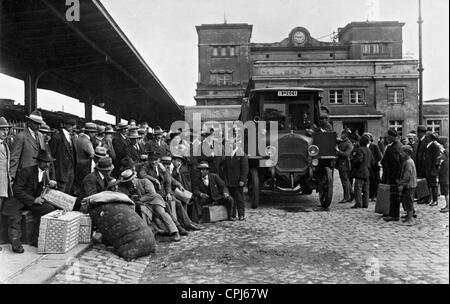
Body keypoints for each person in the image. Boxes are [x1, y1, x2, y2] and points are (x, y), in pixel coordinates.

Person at [2, 150, 57, 253]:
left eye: (49, 162)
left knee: (49, 209)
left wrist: (50, 186)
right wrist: (33, 200)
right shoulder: (26, 171)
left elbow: (39, 190)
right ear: (38, 162)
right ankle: (16, 243)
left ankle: (36, 238)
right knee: (15, 219)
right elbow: (17, 190)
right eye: (45, 162)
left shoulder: (44, 174)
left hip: (30, 202)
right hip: (17, 201)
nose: (47, 164)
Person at [117, 169, 182, 242]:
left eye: (132, 180)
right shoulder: (130, 187)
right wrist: (134, 199)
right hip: (144, 204)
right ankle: (153, 233)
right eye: (129, 181)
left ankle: (175, 232)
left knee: (162, 213)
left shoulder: (145, 181)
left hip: (155, 200)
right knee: (145, 215)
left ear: (135, 177)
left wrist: (140, 200)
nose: (131, 182)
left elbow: (152, 194)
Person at [9, 110, 46, 180]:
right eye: (36, 123)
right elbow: (15, 157)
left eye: (40, 124)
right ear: (29, 122)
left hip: (39, 175)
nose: (38, 126)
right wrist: (12, 175)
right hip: (24, 175)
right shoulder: (21, 136)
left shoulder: (41, 136)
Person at [49, 116, 77, 194]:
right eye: (70, 125)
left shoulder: (71, 137)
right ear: (64, 124)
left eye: (72, 125)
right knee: (60, 195)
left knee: (67, 193)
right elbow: (51, 156)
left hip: (70, 171)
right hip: (61, 171)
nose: (71, 127)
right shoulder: (57, 137)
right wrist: (53, 175)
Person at [222, 140, 249, 220]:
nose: (230, 145)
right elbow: (225, 169)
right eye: (229, 144)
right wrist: (226, 180)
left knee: (239, 198)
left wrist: (242, 180)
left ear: (236, 143)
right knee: (232, 198)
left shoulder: (241, 154)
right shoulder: (228, 155)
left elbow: (245, 169)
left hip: (238, 181)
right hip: (230, 181)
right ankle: (233, 215)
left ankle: (241, 215)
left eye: (231, 143)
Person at [382, 129, 404, 222]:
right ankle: (392, 213)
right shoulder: (395, 146)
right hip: (392, 175)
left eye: (388, 136)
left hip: (394, 176)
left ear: (391, 137)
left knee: (394, 196)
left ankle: (394, 215)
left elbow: (396, 164)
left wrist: (395, 178)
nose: (386, 138)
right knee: (393, 196)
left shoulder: (395, 147)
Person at [0, 117, 13, 251]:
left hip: (4, 185)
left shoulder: (5, 144)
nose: (5, 132)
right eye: (3, 130)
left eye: (7, 130)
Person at [350, 135, 373, 209]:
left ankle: (358, 203)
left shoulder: (359, 150)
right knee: (366, 189)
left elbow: (358, 160)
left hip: (360, 171)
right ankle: (365, 204)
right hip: (367, 171)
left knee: (358, 188)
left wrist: (353, 162)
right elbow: (372, 161)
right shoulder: (369, 150)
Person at [397, 145, 417, 225]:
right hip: (409, 184)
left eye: (402, 152)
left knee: (409, 202)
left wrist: (400, 183)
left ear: (407, 153)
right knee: (407, 201)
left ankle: (410, 219)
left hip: (409, 185)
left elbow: (407, 176)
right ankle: (408, 217)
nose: (401, 154)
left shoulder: (408, 162)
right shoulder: (408, 161)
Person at [75, 122, 97, 191]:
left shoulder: (79, 138)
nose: (95, 134)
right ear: (90, 133)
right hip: (86, 166)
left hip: (78, 164)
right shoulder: (86, 141)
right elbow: (92, 154)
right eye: (94, 133)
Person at [335, 130, 354, 203]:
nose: (341, 135)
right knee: (346, 181)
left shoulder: (348, 144)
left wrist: (338, 151)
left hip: (344, 164)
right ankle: (352, 194)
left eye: (343, 134)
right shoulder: (342, 142)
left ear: (346, 135)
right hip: (341, 164)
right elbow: (338, 141)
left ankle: (346, 197)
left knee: (344, 181)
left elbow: (346, 154)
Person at [424, 132, 442, 207]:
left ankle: (435, 200)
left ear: (431, 137)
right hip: (428, 168)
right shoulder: (429, 145)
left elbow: (436, 159)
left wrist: (434, 169)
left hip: (432, 169)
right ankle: (430, 199)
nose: (426, 138)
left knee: (434, 185)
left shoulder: (435, 146)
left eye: (427, 137)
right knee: (429, 184)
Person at [365, 133, 382, 201]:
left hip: (374, 167)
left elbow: (379, 156)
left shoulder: (374, 146)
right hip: (367, 167)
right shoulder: (363, 146)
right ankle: (369, 194)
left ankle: (374, 195)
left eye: (367, 137)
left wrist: (373, 162)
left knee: (375, 182)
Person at [438, 144, 449, 213]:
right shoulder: (446, 162)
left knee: (446, 194)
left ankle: (448, 206)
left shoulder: (445, 163)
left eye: (442, 154)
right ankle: (447, 205)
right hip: (446, 180)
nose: (441, 155)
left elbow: (442, 172)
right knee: (446, 194)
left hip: (445, 180)